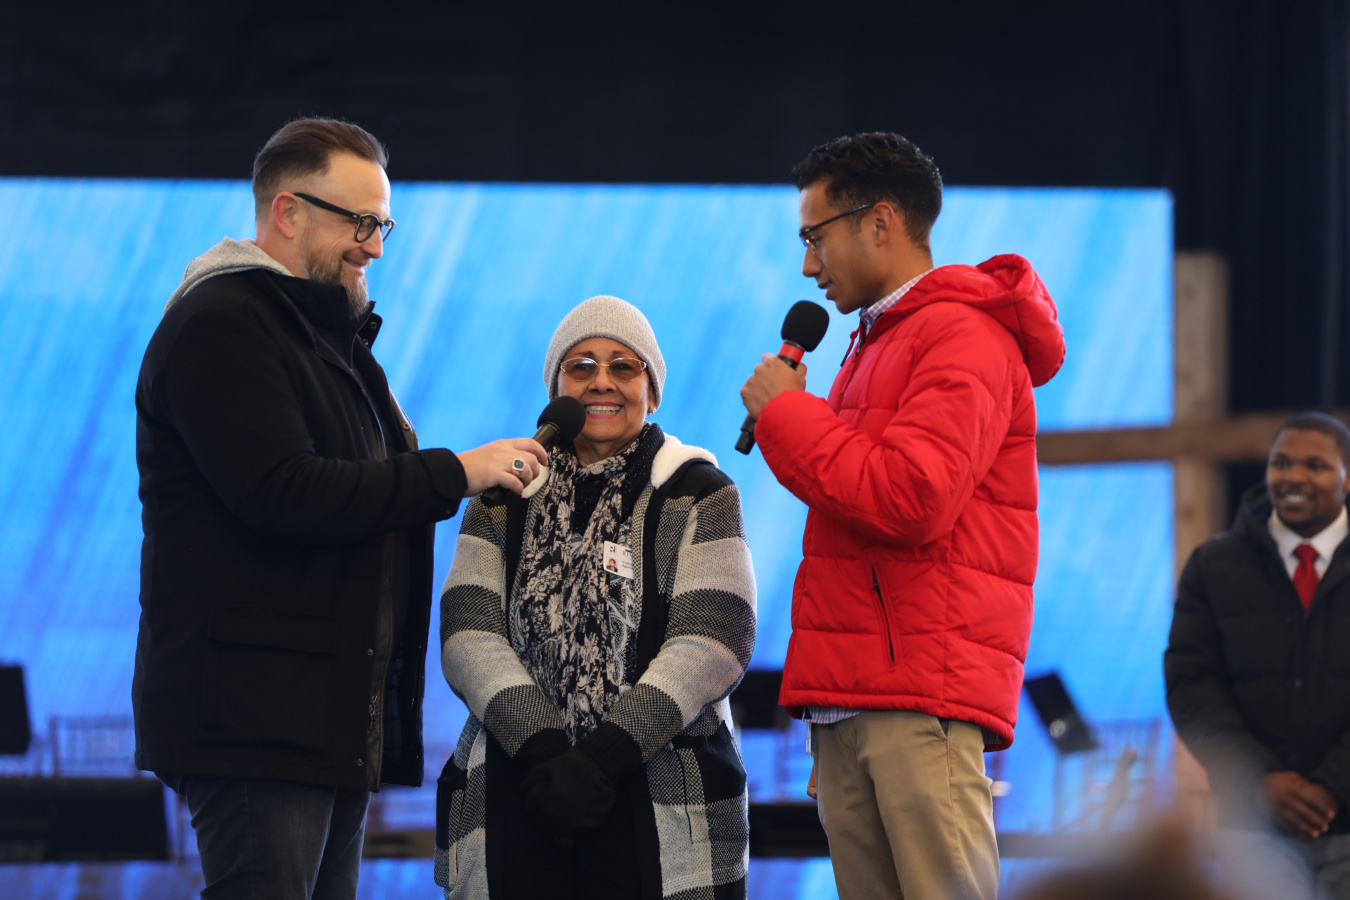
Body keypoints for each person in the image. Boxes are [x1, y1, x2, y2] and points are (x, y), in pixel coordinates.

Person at [132, 117, 548, 900]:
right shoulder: (222, 323)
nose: (375, 247)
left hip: (318, 717)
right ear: (287, 212)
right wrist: (456, 471)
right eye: (359, 223)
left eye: (383, 225)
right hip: (257, 720)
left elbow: (354, 494)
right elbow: (286, 494)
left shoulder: (325, 339)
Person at [739, 132, 1065, 900]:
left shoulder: (963, 332)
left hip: (917, 698)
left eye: (815, 238)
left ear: (879, 222)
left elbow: (912, 499)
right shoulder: (877, 344)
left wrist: (786, 416)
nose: (808, 266)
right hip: (857, 693)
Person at [436, 295, 757, 900]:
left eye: (623, 366)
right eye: (581, 366)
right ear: (556, 388)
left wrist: (601, 759)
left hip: (661, 786)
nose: (601, 381)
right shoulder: (500, 493)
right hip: (520, 782)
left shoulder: (700, 491)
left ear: (651, 391)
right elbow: (466, 634)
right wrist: (545, 750)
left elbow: (714, 641)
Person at [1165, 411, 1350, 900]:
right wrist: (1258, 779)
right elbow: (1192, 685)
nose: (1294, 477)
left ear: (1347, 477)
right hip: (1252, 822)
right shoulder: (1213, 564)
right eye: (1281, 463)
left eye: (1315, 465)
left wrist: (1333, 786)